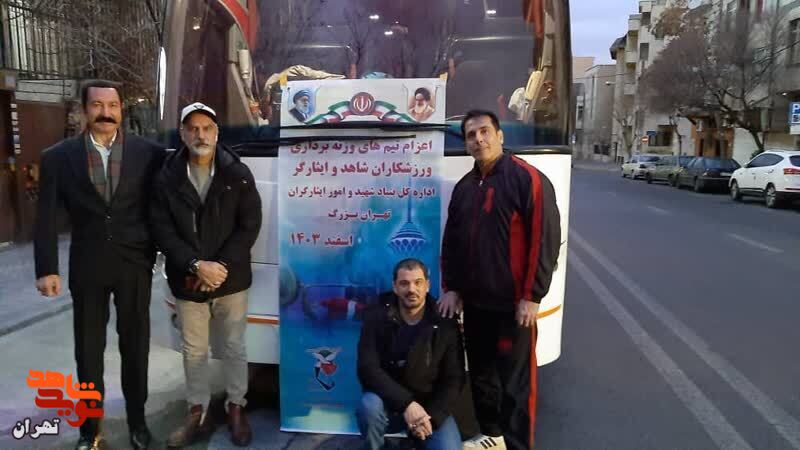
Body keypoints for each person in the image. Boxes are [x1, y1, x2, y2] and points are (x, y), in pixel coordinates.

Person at [33, 79, 166, 450]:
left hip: (134, 263)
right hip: (87, 265)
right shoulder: (57, 158)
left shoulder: (150, 154)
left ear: (121, 109)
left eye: (113, 106)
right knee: (88, 351)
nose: (106, 113)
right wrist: (46, 268)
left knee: (135, 347)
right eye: (97, 105)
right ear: (83, 110)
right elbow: (45, 217)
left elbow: (163, 207)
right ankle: (90, 430)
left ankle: (138, 424)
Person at [440, 110, 561, 450]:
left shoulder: (527, 178)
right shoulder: (465, 188)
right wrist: (452, 288)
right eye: (471, 135)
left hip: (514, 306)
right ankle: (492, 436)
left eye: (484, 131)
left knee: (516, 385)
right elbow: (452, 242)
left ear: (500, 136)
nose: (478, 139)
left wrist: (531, 296)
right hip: (476, 304)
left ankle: (518, 445)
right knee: (482, 376)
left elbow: (544, 240)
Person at [150, 102, 262, 448]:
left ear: (216, 133)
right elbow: (162, 230)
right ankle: (196, 413)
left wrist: (219, 266)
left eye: (207, 128)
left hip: (231, 279)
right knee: (194, 350)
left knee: (233, 347)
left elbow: (249, 225)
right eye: (193, 129)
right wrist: (196, 266)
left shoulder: (237, 173)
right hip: (188, 278)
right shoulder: (166, 177)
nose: (200, 135)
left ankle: (235, 408)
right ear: (183, 134)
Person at [357, 259, 464, 450]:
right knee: (369, 406)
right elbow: (367, 368)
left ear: (427, 285)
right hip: (388, 403)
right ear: (395, 287)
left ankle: (419, 438)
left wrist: (430, 418)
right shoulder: (376, 316)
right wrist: (407, 404)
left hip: (429, 409)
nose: (411, 289)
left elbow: (454, 378)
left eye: (418, 282)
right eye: (404, 283)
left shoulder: (445, 322)